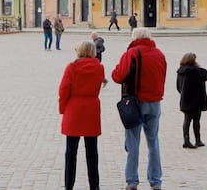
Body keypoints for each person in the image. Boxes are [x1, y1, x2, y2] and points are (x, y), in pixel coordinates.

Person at [111, 27, 167, 190]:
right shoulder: (159, 54)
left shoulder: (132, 53)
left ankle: (132, 181)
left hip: (136, 103)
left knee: (133, 142)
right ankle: (156, 181)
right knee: (153, 142)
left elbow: (118, 76)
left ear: (134, 38)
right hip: (155, 102)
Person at [58, 40, 106, 190]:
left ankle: (69, 185)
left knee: (71, 152)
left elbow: (64, 90)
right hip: (91, 109)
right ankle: (94, 185)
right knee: (92, 152)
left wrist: (62, 108)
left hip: (74, 109)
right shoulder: (99, 68)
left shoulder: (72, 67)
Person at [175, 52, 207, 149]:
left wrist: (183, 93)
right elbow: (205, 75)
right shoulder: (196, 71)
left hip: (185, 99)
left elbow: (178, 86)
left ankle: (186, 140)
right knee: (196, 120)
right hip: (196, 100)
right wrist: (199, 67)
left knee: (187, 119)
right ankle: (197, 140)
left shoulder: (180, 71)